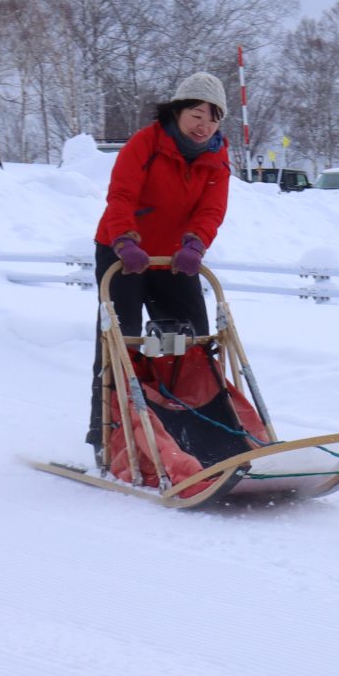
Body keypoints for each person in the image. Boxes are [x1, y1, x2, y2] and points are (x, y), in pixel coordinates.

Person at [86, 73, 232, 460]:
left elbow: (212, 209)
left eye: (214, 118)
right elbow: (120, 195)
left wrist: (196, 243)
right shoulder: (145, 144)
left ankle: (197, 434)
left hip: (173, 258)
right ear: (178, 110)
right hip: (123, 253)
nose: (204, 126)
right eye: (197, 114)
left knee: (192, 343)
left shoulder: (217, 157)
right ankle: (109, 436)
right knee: (122, 340)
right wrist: (124, 240)